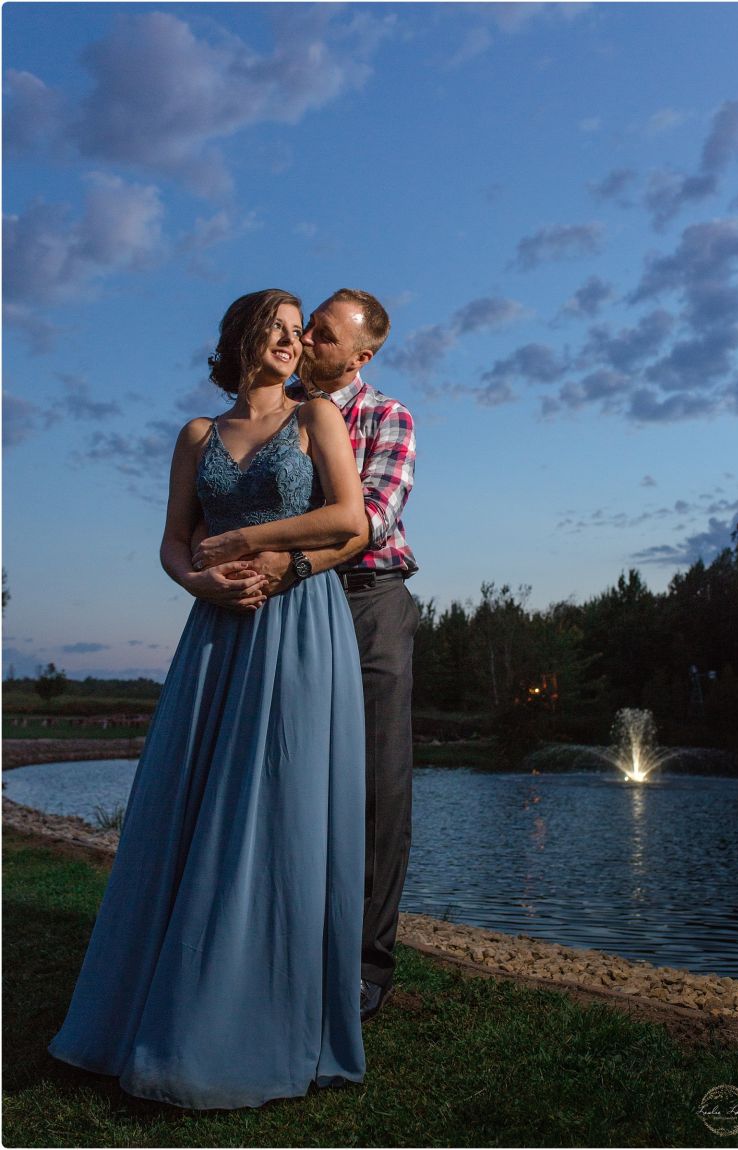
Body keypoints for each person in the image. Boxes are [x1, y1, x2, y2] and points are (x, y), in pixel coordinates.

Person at [48, 289, 369, 1110]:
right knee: (187, 801)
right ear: (242, 337)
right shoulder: (198, 434)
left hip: (299, 626)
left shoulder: (317, 418)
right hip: (216, 632)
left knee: (280, 804)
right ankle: (155, 1002)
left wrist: (252, 540)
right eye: (279, 329)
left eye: (300, 333)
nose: (293, 342)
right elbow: (172, 539)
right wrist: (199, 581)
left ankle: (267, 1013)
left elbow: (351, 519)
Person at [192, 289, 418, 1024]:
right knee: (280, 773)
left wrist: (279, 557)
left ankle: (365, 967)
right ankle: (270, 942)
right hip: (283, 605)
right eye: (305, 327)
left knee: (374, 784)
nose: (308, 341)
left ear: (361, 355)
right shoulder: (274, 411)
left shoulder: (385, 417)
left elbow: (368, 520)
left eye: (323, 335)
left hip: (367, 601)